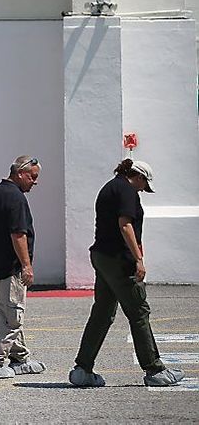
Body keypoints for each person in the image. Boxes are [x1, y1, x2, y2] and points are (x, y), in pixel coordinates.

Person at [69, 159, 185, 388]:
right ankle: (154, 369)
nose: (143, 189)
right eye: (144, 184)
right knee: (139, 311)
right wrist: (138, 259)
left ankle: (82, 369)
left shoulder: (109, 187)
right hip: (119, 261)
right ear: (138, 177)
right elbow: (125, 225)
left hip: (102, 256)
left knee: (102, 313)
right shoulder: (127, 191)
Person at [0, 155, 46, 379]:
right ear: (20, 173)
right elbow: (18, 234)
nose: (35, 182)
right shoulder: (16, 198)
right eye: (32, 177)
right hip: (10, 269)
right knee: (12, 318)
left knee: (5, 315)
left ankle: (19, 358)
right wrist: (26, 266)